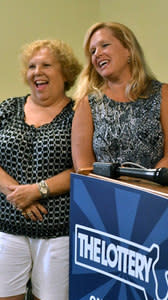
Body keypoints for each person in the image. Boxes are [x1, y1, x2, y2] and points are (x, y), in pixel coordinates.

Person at [0, 39, 81, 300]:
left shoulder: (79, 113)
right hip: (7, 225)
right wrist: (18, 196)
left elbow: (83, 167)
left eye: (47, 65)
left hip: (57, 231)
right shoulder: (8, 109)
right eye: (32, 66)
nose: (37, 71)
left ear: (65, 73)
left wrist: (37, 191)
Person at [72, 22, 168, 172]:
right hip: (104, 194)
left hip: (155, 192)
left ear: (128, 49)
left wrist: (145, 189)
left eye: (104, 45)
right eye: (92, 51)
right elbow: (84, 169)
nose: (97, 54)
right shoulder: (88, 104)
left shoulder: (165, 94)